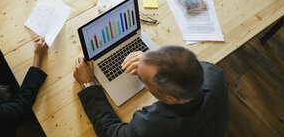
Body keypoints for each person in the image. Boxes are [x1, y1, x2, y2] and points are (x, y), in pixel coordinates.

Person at [73, 45, 230, 137]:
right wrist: (148, 62)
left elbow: (110, 132)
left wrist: (88, 85)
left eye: (146, 81)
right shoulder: (213, 73)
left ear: (170, 98)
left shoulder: (151, 126)